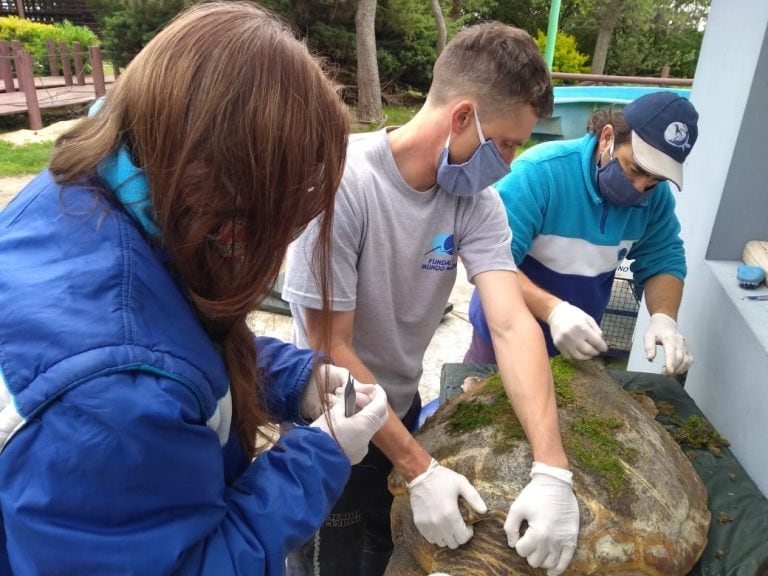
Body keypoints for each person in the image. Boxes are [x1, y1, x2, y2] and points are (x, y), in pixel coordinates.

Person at [0, 3, 389, 574]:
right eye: (278, 213)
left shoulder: (95, 188)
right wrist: (317, 458)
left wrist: (293, 379)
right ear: (227, 191)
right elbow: (190, 564)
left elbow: (172, 335)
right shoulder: (113, 397)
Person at [283, 22, 579, 576]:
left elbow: (512, 325)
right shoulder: (340, 185)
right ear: (463, 117)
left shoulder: (476, 202)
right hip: (332, 422)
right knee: (331, 563)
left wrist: (552, 468)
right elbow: (328, 346)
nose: (510, 162)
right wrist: (418, 468)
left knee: (386, 550)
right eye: (508, 143)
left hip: (399, 407)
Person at [465, 91, 699, 376]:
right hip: (503, 333)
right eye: (635, 169)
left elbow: (664, 257)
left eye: (655, 179)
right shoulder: (539, 173)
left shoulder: (655, 197)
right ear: (608, 138)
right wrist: (554, 310)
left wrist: (664, 318)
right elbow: (492, 261)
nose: (641, 187)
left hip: (577, 345)